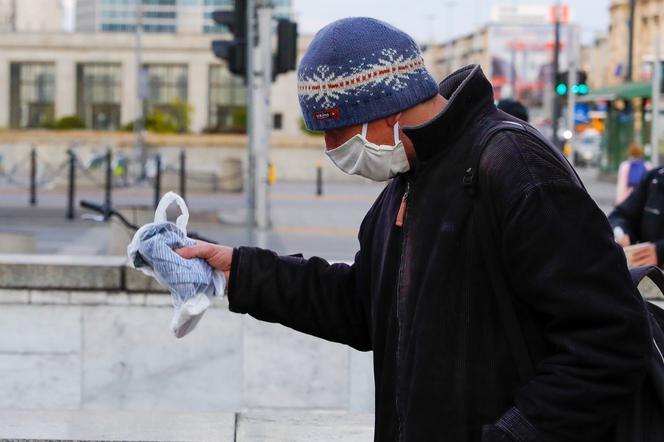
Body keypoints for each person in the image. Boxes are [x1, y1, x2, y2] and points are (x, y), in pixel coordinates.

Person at [176, 18, 650, 442]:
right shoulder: (408, 181)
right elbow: (361, 305)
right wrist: (238, 269)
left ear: (387, 111)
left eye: (336, 131)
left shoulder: (514, 166)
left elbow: (609, 339)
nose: (329, 148)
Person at [609, 166, 664, 267]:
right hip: (649, 276)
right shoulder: (654, 178)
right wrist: (620, 232)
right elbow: (621, 215)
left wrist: (660, 252)